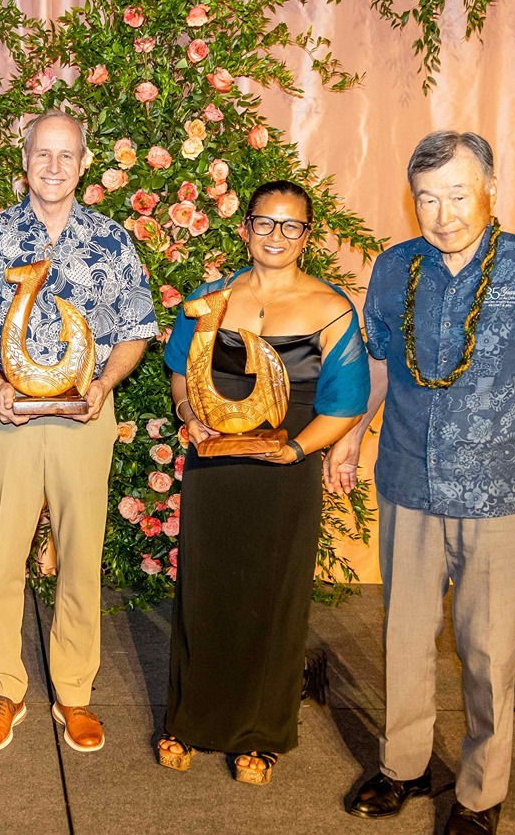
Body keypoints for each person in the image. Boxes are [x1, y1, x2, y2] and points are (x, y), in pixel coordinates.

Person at [325, 131, 515, 835]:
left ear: (491, 189)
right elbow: (380, 364)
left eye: (457, 194)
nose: (443, 213)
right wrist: (353, 436)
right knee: (405, 636)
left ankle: (480, 793)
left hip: (502, 493)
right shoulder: (394, 268)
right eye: (428, 198)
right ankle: (403, 767)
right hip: (409, 478)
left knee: (486, 648)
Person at [0, 110, 157, 754]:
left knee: (80, 553)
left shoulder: (113, 241)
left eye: (65, 155)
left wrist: (104, 385)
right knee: (2, 554)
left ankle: (73, 691)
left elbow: (133, 330)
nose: (53, 166)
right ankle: (4, 689)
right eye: (42, 154)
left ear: (83, 163)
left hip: (86, 415)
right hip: (9, 414)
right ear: (24, 161)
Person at [158, 181, 368, 784]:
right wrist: (190, 417)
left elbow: (346, 402)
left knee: (272, 596)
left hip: (287, 467)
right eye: (264, 223)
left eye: (290, 226)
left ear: (308, 235)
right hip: (214, 461)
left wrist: (300, 449)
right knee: (206, 587)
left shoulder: (331, 310)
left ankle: (262, 731)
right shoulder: (209, 299)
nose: (276, 236)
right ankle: (189, 718)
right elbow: (181, 374)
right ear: (244, 229)